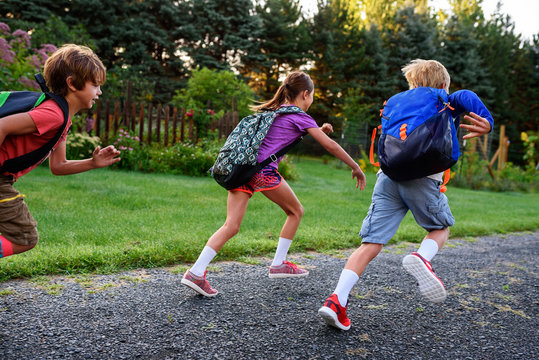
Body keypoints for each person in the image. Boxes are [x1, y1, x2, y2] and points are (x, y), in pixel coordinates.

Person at [318, 59, 494, 330]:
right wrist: (487, 121)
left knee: (370, 243)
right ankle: (422, 257)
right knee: (440, 228)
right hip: (423, 180)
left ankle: (336, 301)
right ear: (443, 84)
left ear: (412, 84)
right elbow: (466, 96)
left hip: (388, 177)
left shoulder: (397, 101)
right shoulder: (444, 97)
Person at [181, 71, 367, 297]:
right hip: (262, 173)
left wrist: (318, 131)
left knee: (231, 225)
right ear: (305, 94)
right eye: (313, 96)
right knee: (295, 211)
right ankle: (279, 263)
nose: (312, 100)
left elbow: (282, 137)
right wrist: (355, 166)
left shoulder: (276, 112)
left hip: (243, 170)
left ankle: (196, 272)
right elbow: (331, 146)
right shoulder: (299, 115)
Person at [0, 44, 121, 259]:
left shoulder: (62, 119)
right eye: (95, 85)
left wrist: (92, 163)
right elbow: (2, 126)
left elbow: (58, 166)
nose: (99, 92)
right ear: (72, 83)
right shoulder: (53, 114)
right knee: (23, 236)